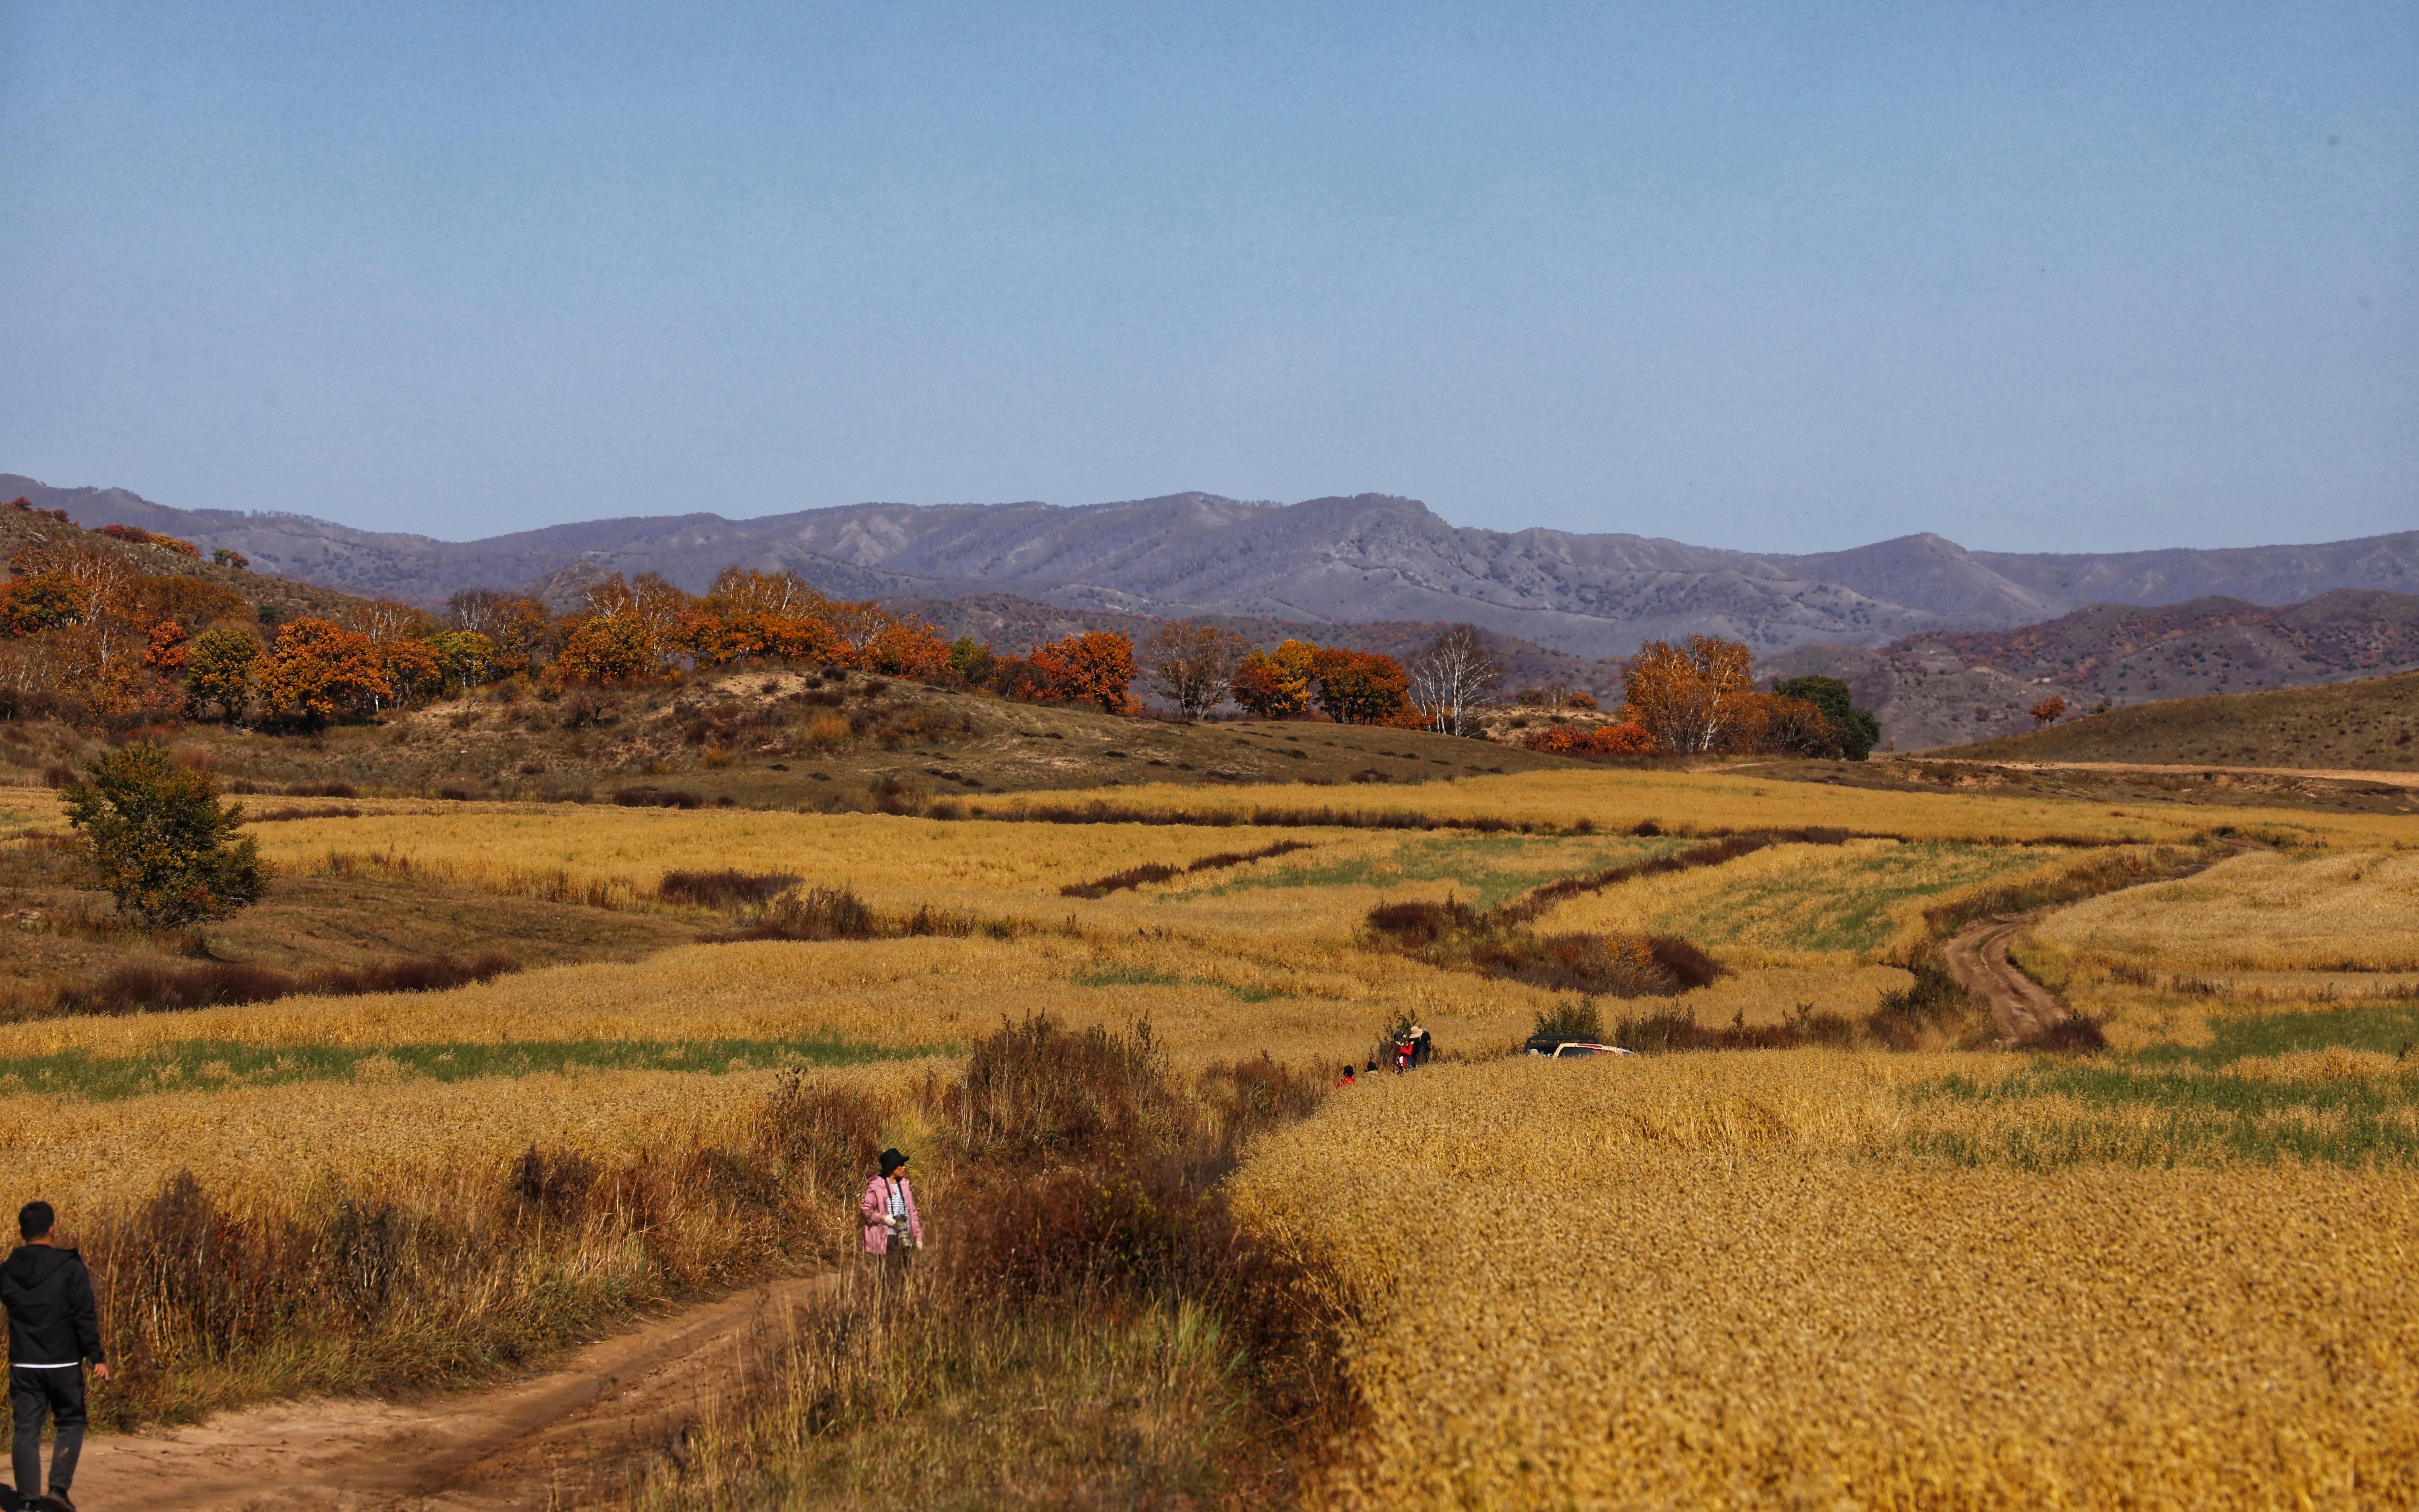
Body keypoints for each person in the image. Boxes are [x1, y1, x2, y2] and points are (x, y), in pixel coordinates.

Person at [1, 1202, 105, 1512]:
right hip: (63, 1362)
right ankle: (58, 1489)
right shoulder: (70, 1266)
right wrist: (95, 1355)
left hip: (23, 1363)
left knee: (26, 1430)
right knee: (71, 1421)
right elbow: (84, 1314)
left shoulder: (7, 1270)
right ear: (52, 1229)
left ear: (22, 1232)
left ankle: (28, 1501)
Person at [859, 1148, 922, 1283]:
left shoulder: (905, 1185)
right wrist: (883, 1218)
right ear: (892, 1167)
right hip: (887, 1239)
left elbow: (912, 1213)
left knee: (906, 1275)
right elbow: (866, 1210)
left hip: (905, 1236)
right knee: (888, 1278)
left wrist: (918, 1237)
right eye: (901, 1164)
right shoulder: (876, 1186)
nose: (904, 1167)